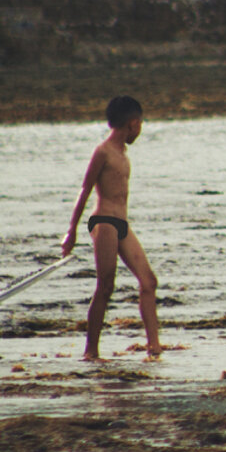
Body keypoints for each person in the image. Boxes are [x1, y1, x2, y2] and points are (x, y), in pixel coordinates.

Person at [62, 96, 161, 360]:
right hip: (104, 221)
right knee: (105, 286)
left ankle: (154, 348)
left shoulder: (123, 154)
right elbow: (85, 190)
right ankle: (90, 351)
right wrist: (71, 232)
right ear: (133, 123)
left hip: (122, 223)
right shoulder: (103, 151)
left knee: (149, 281)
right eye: (140, 125)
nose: (140, 131)